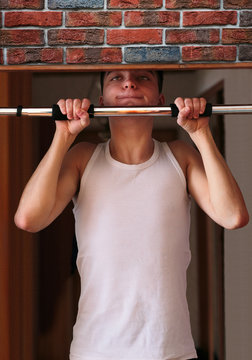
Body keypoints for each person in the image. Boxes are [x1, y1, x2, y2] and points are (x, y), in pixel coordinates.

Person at [15, 70, 249, 360]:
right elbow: (28, 219)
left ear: (160, 99)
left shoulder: (180, 156)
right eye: (116, 78)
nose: (129, 83)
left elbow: (233, 216)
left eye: (143, 77)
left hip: (170, 350)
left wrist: (201, 134)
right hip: (96, 350)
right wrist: (62, 137)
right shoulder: (82, 158)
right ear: (102, 100)